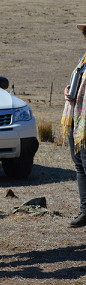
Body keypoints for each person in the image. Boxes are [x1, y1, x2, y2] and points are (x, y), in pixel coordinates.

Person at [61, 23, 86, 228]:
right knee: (79, 166)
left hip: (84, 122)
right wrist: (69, 90)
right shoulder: (83, 60)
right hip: (75, 119)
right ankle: (85, 210)